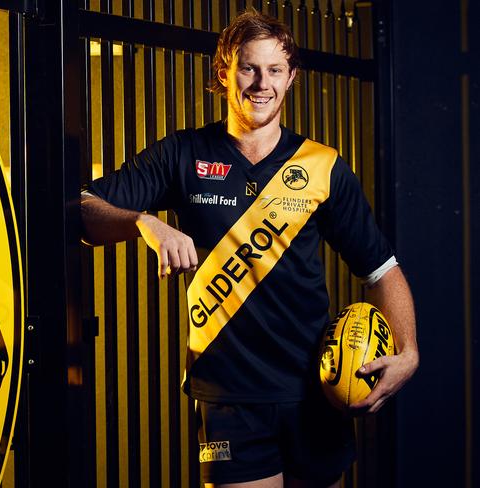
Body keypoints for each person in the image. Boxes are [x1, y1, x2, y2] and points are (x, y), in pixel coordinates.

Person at [81, 9, 418, 488]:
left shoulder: (322, 167)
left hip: (317, 390)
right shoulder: (183, 154)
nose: (262, 83)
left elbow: (381, 269)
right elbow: (81, 211)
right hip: (228, 394)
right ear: (224, 72)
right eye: (248, 68)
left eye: (275, 70)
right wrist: (143, 221)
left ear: (291, 78)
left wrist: (410, 352)